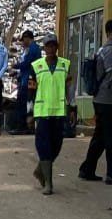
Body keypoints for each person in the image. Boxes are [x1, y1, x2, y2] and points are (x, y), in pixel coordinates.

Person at [30, 35, 72, 195]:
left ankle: (41, 169)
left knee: (57, 145)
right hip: (42, 113)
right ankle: (48, 183)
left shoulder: (65, 65)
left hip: (59, 112)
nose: (51, 49)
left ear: (57, 47)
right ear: (44, 48)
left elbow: (70, 88)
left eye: (53, 45)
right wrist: (29, 112)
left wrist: (72, 107)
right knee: (44, 146)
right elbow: (31, 91)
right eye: (48, 46)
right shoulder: (37, 66)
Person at [79, 19, 112, 183]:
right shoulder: (109, 52)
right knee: (109, 136)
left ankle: (87, 169)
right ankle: (111, 174)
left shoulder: (100, 51)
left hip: (100, 99)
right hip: (108, 100)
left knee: (100, 136)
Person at [12, 30, 42, 135]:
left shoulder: (33, 49)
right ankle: (28, 126)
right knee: (29, 103)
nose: (23, 43)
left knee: (23, 103)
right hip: (28, 79)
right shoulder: (32, 49)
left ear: (27, 38)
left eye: (23, 40)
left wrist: (16, 66)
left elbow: (27, 63)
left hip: (28, 81)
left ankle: (22, 126)